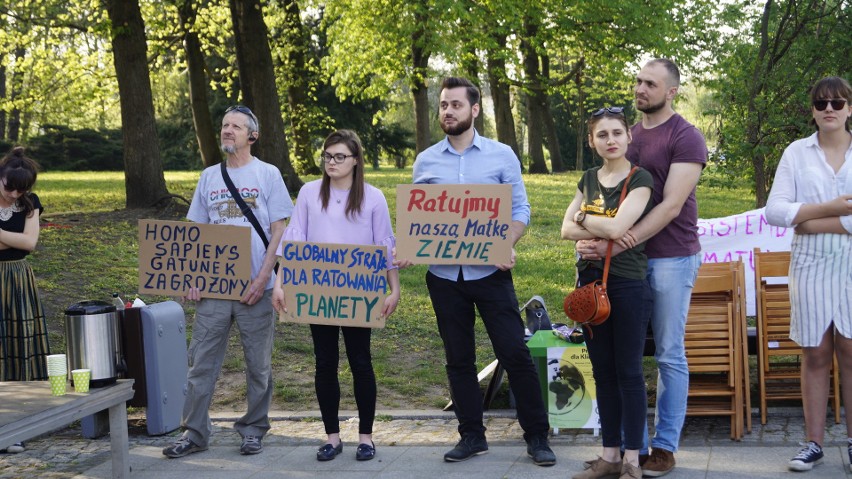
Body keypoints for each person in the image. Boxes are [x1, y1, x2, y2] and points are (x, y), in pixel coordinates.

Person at [401, 76, 556, 467]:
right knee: (458, 359)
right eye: (443, 105)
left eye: (455, 104)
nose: (448, 111)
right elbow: (421, 216)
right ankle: (472, 436)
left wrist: (508, 242)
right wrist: (410, 243)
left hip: (490, 273)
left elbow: (521, 210)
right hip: (443, 276)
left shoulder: (502, 155)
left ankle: (537, 436)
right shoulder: (426, 160)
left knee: (514, 353)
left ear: (475, 109)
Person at [575, 58, 706, 477]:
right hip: (622, 268)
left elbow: (670, 205)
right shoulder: (624, 136)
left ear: (671, 91)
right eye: (637, 80)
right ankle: (631, 448)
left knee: (668, 353)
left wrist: (621, 238)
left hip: (670, 256)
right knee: (624, 360)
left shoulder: (686, 137)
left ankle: (664, 447)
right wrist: (599, 240)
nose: (640, 89)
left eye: (650, 83)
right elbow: (604, 192)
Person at [163, 105, 293, 458]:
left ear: (252, 136)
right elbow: (195, 233)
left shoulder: (268, 174)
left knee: (258, 365)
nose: (227, 131)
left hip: (258, 288)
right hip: (215, 291)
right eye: (224, 125)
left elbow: (280, 230)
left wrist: (264, 276)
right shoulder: (209, 177)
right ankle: (194, 432)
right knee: (201, 362)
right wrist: (192, 276)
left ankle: (253, 429)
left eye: (236, 126)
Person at [272, 129, 400, 462]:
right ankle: (331, 437)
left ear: (356, 160)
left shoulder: (373, 197)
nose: (332, 162)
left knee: (361, 362)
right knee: (325, 363)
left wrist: (394, 289)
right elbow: (293, 242)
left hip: (359, 295)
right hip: (318, 293)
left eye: (339, 156)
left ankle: (366, 438)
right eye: (327, 156)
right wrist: (280, 283)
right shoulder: (310, 193)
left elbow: (385, 246)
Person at [561, 107, 654, 479]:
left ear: (629, 137)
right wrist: (588, 226)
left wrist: (585, 218)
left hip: (627, 285)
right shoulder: (588, 178)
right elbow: (564, 230)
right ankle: (610, 455)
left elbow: (618, 229)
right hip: (589, 289)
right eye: (602, 135)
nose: (611, 140)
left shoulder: (639, 178)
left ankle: (633, 458)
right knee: (602, 371)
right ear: (592, 141)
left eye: (617, 133)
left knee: (629, 372)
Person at [765, 76, 852, 473]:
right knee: (815, 352)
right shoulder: (796, 153)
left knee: (851, 351)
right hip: (811, 265)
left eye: (837, 102)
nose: (829, 109)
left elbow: (795, 217)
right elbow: (775, 212)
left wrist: (810, 219)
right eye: (821, 104)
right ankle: (814, 443)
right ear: (813, 110)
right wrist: (834, 208)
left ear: (850, 108)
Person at [0, 147, 49, 454]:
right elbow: (20, 240)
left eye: (22, 189)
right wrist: (11, 237)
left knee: (17, 344)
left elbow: (30, 243)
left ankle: (15, 424)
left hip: (17, 280)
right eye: (9, 187)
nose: (15, 193)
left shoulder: (29, 203)